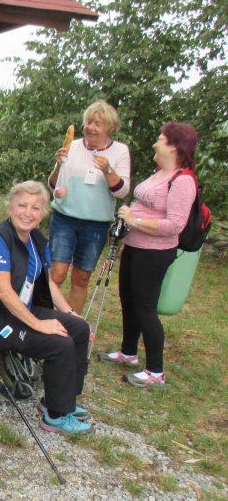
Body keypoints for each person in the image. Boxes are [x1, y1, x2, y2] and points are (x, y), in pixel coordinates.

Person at [0, 181, 94, 435]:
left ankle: (63, 400)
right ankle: (55, 417)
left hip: (20, 311)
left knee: (77, 328)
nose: (27, 213)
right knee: (59, 343)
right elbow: (3, 292)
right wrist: (39, 324)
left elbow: (48, 282)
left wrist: (69, 312)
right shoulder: (0, 238)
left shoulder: (35, 239)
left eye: (36, 208)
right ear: (10, 207)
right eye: (22, 205)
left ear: (43, 214)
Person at [102, 123, 199, 388]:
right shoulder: (159, 174)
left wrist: (134, 219)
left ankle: (156, 371)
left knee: (145, 307)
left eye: (160, 139)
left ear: (174, 146)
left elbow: (175, 225)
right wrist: (129, 230)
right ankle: (128, 352)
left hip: (155, 253)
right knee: (128, 300)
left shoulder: (183, 181)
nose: (155, 144)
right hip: (135, 247)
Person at [47, 100, 130, 312]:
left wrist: (108, 171)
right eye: (89, 122)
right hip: (64, 217)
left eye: (98, 124)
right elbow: (53, 185)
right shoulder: (71, 146)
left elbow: (122, 192)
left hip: (96, 224)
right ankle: (43, 318)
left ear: (109, 128)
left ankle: (69, 325)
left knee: (81, 278)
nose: (91, 127)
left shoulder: (120, 152)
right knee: (56, 273)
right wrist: (58, 166)